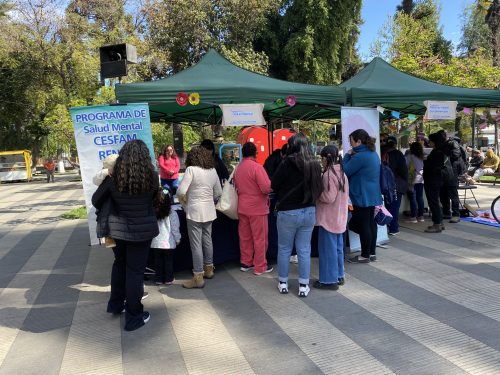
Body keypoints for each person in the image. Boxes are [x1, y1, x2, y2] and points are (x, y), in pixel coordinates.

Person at [91, 140, 159, 331]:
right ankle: (134, 317)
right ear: (145, 158)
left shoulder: (114, 179)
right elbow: (154, 200)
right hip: (143, 231)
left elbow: (96, 201)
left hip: (118, 232)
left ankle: (116, 305)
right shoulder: (152, 177)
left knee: (120, 265)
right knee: (135, 272)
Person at [272, 133, 323, 297]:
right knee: (304, 250)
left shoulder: (286, 162)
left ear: (292, 145)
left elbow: (274, 184)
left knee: (284, 249)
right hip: (309, 211)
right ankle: (303, 285)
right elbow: (319, 187)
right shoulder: (314, 163)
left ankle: (283, 283)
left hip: (287, 212)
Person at [176, 146, 222, 288]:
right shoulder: (212, 170)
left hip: (194, 211)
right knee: (207, 240)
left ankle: (198, 277)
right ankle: (209, 269)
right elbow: (218, 193)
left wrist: (185, 204)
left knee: (196, 244)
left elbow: (180, 191)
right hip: (209, 210)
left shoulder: (191, 170)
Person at [234, 142, 273, 275]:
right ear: (255, 153)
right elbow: (266, 188)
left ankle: (246, 262)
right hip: (257, 208)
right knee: (260, 238)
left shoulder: (238, 168)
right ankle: (260, 266)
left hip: (242, 207)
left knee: (245, 237)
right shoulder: (257, 167)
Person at [343, 129, 382, 263]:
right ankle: (371, 253)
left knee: (363, 224)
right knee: (371, 223)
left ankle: (364, 255)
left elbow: (345, 170)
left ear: (359, 141)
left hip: (361, 194)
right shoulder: (372, 153)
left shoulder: (360, 156)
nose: (350, 145)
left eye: (351, 141)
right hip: (372, 193)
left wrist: (347, 155)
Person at [314, 145, 349, 290]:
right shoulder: (342, 173)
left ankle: (328, 281)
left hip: (328, 218)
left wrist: (316, 193)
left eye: (321, 158)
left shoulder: (328, 174)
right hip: (340, 217)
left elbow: (328, 197)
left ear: (325, 158)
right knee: (338, 249)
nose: (321, 162)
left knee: (328, 250)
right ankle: (339, 275)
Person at [151, 189, 181, 285]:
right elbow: (175, 228)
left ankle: (158, 279)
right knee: (168, 261)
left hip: (156, 242)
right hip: (168, 242)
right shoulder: (172, 213)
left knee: (157, 261)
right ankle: (169, 278)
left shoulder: (153, 212)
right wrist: (178, 238)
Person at [381, 136, 408, 235]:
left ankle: (386, 226)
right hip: (396, 184)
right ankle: (394, 228)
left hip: (383, 184)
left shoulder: (380, 152)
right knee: (394, 207)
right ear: (395, 144)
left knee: (387, 206)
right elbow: (403, 171)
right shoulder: (397, 154)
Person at [423, 133, 449, 233]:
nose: (428, 142)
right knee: (436, 202)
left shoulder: (437, 152)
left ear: (435, 142)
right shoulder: (440, 151)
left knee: (433, 202)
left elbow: (433, 167)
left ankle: (437, 224)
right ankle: (439, 222)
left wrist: (426, 162)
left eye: (430, 141)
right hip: (436, 180)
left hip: (432, 180)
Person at [93, 154, 119, 248]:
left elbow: (95, 200)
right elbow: (95, 180)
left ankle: (109, 236)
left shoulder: (110, 179)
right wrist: (106, 172)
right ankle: (109, 237)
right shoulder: (106, 178)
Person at [438, 131, 464, 223]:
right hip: (444, 172)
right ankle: (446, 212)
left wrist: (444, 152)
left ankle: (456, 214)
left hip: (452, 172)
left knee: (453, 194)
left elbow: (455, 155)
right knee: (443, 193)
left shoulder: (452, 143)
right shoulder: (443, 145)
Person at [405, 142, 425, 223]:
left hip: (412, 180)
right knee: (420, 198)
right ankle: (421, 216)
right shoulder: (422, 157)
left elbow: (405, 166)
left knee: (413, 198)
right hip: (421, 179)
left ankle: (413, 217)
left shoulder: (409, 157)